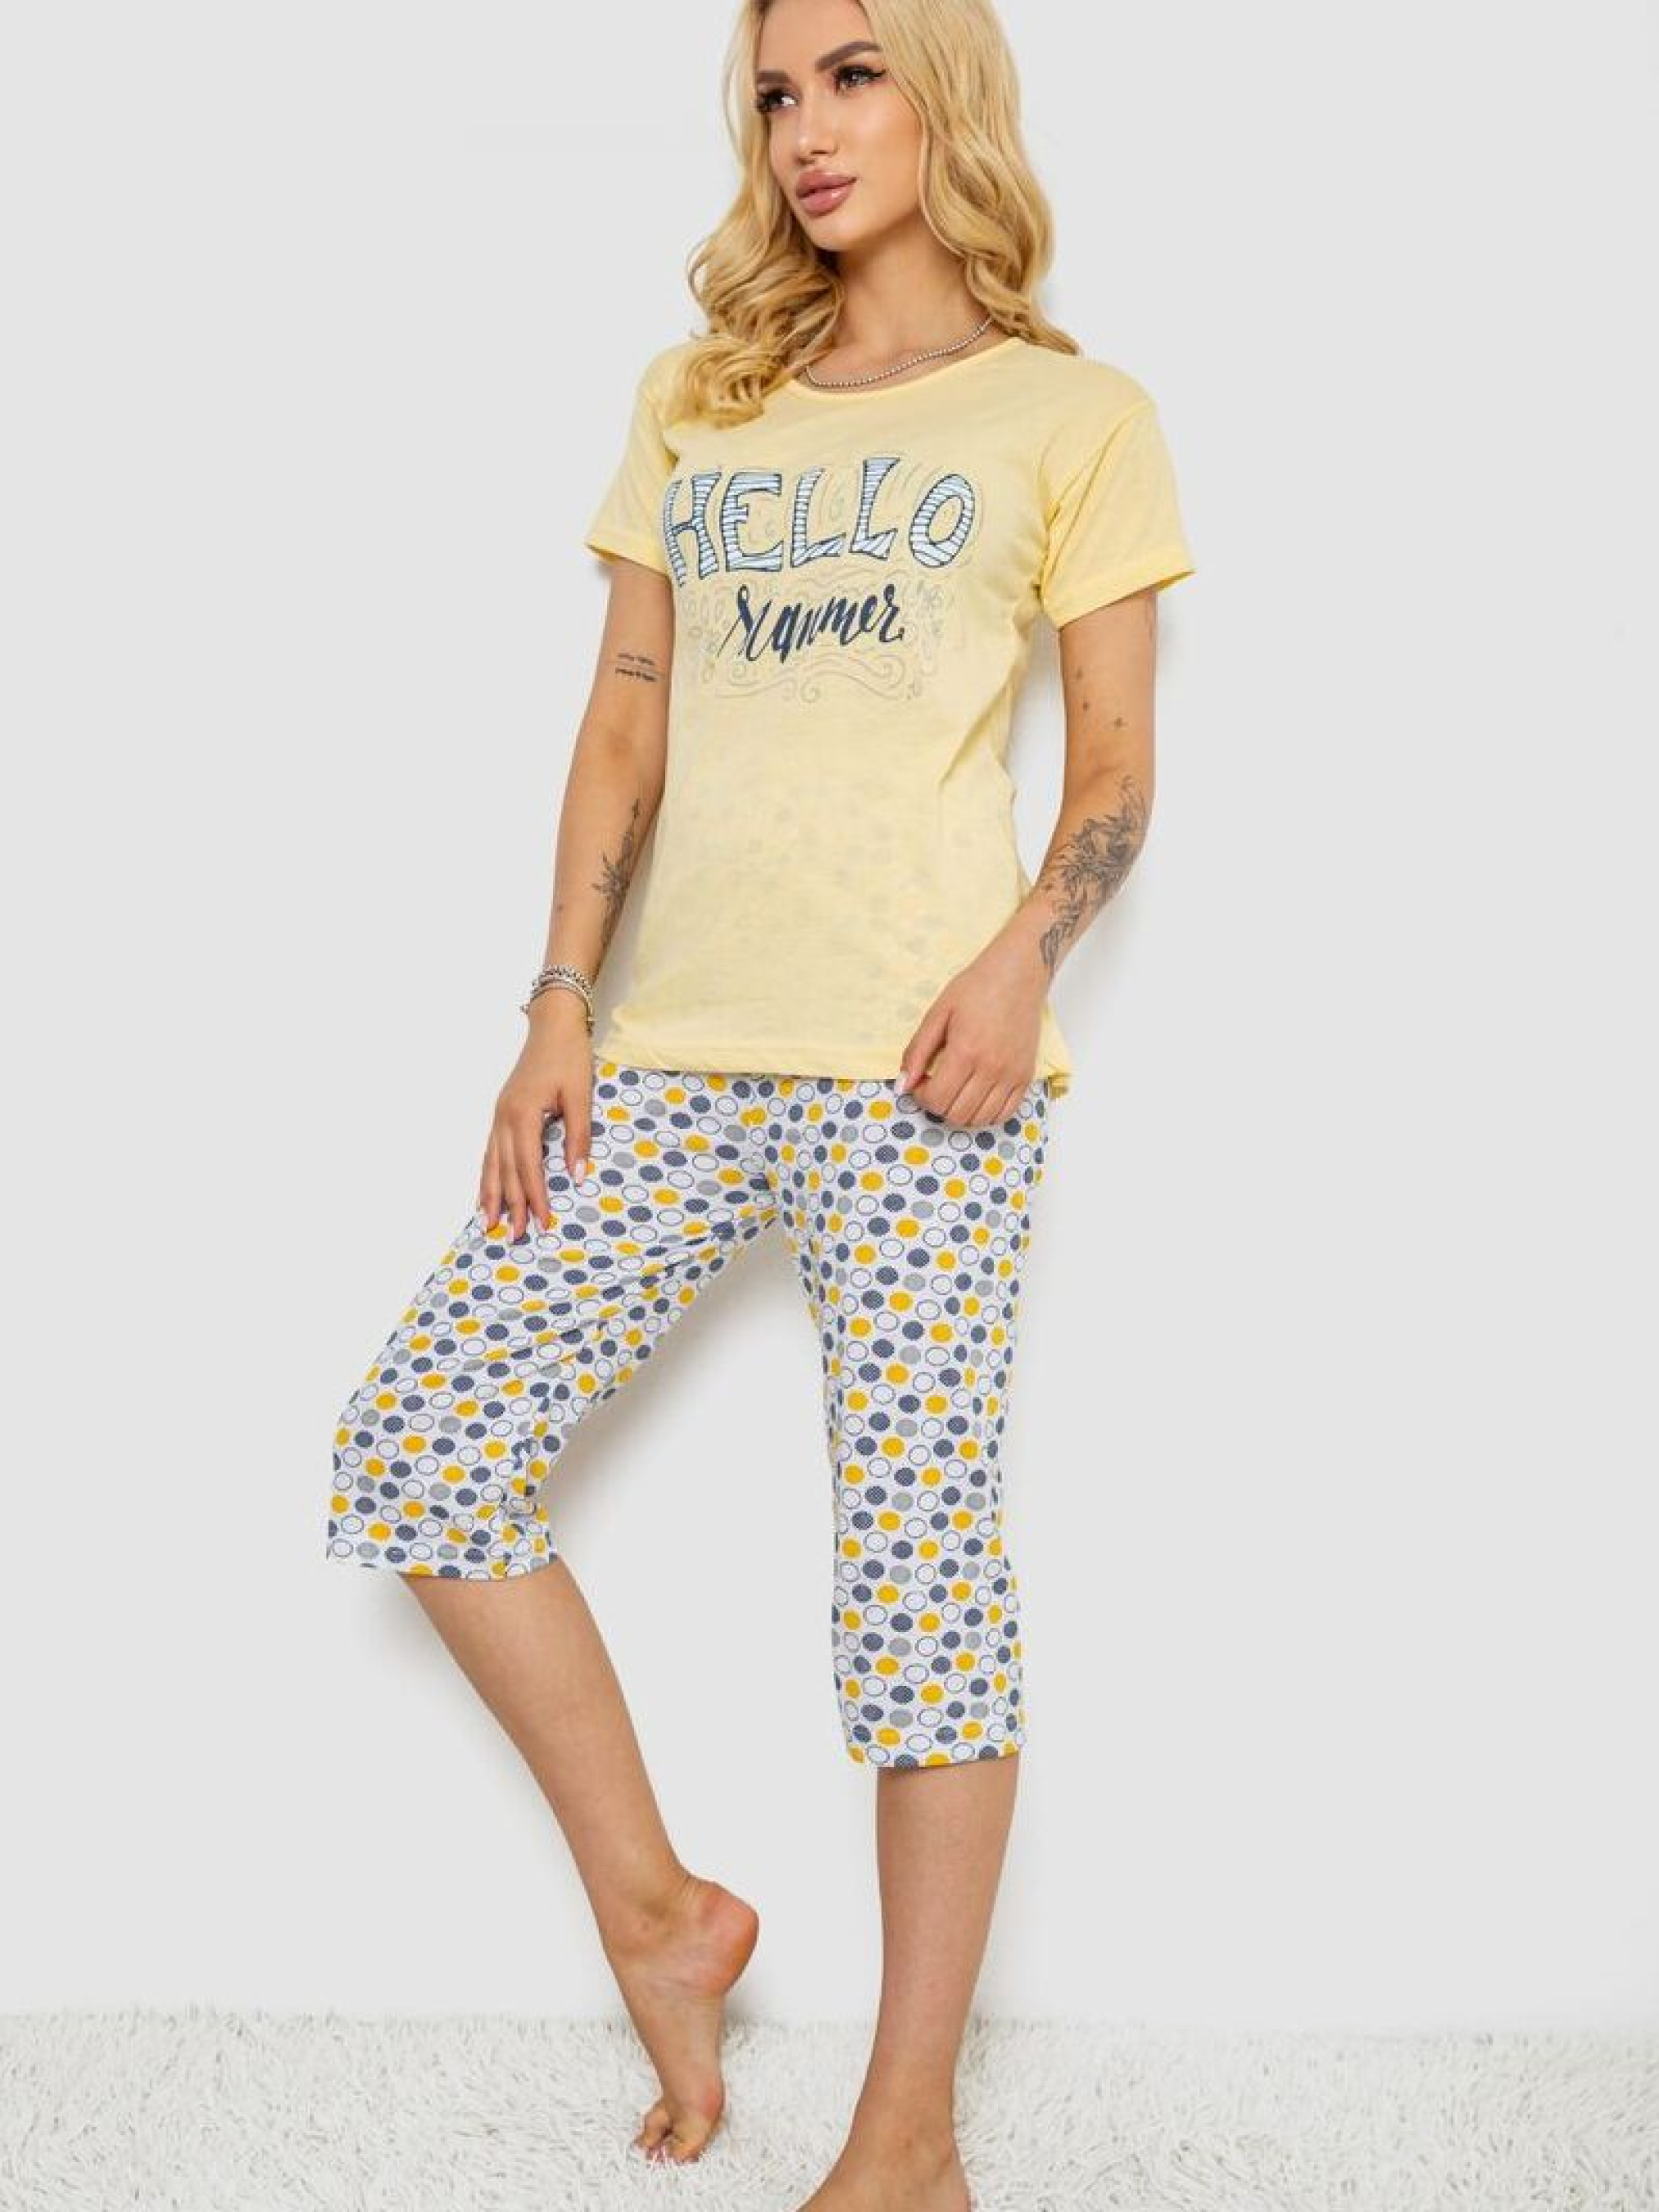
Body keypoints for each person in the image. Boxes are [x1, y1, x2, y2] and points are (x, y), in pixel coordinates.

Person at [325, 0, 1194, 2201]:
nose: (807, 127)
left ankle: (908, 2137)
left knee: (918, 1589)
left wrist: (1020, 957)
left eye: (853, 75)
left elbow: (1113, 765)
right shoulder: (696, 400)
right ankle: (661, 1914)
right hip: (671, 1059)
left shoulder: (1075, 415)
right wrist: (556, 1002)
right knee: (422, 1446)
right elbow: (622, 721)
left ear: (946, 93)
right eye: (778, 93)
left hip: (923, 1078)